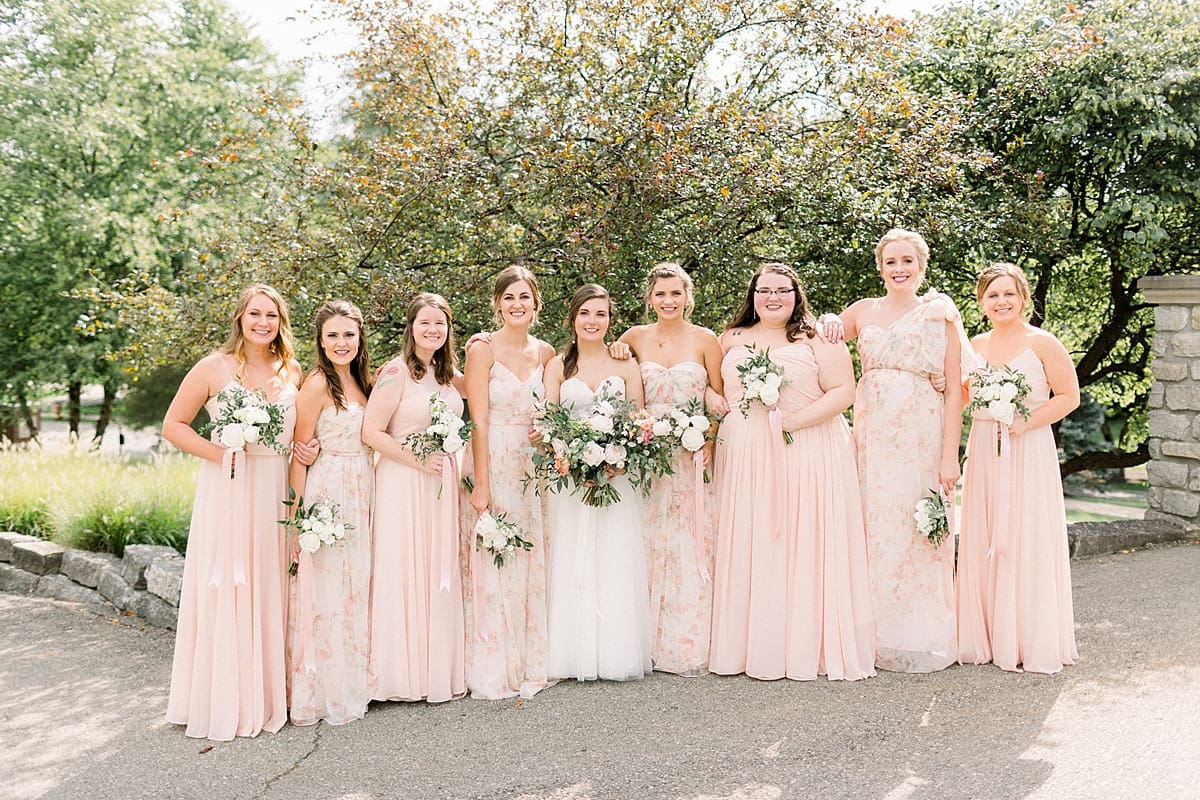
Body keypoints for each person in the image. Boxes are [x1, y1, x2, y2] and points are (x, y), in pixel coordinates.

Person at [708, 263, 875, 681]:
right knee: (753, 540)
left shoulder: (816, 336)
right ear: (753, 296)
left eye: (782, 290)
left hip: (805, 448)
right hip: (744, 453)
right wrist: (711, 395)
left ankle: (801, 644)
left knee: (799, 539)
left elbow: (844, 391)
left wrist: (794, 423)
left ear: (796, 295)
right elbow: (711, 382)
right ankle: (752, 645)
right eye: (764, 290)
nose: (773, 298)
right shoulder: (731, 338)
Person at [821, 228, 975, 673]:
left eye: (908, 261)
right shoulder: (863, 310)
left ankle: (918, 633)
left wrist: (949, 456)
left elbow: (954, 391)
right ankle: (869, 635)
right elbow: (820, 337)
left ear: (921, 266)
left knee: (917, 528)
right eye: (891, 262)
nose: (899, 269)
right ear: (880, 268)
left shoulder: (940, 314)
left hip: (921, 434)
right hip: (871, 436)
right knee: (873, 528)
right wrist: (829, 316)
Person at [163, 283, 304, 740]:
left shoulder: (292, 370)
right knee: (229, 583)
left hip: (274, 488)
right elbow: (173, 426)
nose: (263, 323)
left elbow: (300, 432)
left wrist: (306, 450)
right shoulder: (213, 367)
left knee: (269, 583)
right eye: (255, 314)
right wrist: (220, 454)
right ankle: (224, 698)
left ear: (281, 323)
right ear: (240, 318)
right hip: (228, 486)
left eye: (272, 315)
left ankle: (268, 695)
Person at [957, 262, 1080, 674]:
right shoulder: (974, 345)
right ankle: (989, 636)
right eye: (992, 295)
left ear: (1024, 297)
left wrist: (1026, 422)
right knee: (986, 531)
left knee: (1026, 533)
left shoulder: (1043, 343)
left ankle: (1028, 637)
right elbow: (962, 397)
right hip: (984, 450)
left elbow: (1069, 397)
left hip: (1028, 448)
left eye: (1009, 293)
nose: (1001, 301)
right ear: (981, 302)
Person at [617, 262, 723, 676]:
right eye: (660, 294)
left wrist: (708, 440)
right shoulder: (633, 338)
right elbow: (611, 379)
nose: (668, 300)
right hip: (647, 456)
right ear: (649, 298)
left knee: (689, 543)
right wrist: (615, 351)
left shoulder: (705, 339)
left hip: (690, 457)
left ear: (687, 296)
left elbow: (718, 397)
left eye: (675, 293)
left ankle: (687, 640)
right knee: (645, 541)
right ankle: (642, 641)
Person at [543, 283, 653, 682]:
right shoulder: (557, 366)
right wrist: (571, 457)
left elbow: (639, 419)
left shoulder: (625, 363)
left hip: (616, 477)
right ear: (573, 318)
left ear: (610, 320)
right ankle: (572, 654)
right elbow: (549, 420)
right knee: (573, 555)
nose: (593, 321)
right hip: (571, 480)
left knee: (614, 556)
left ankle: (615, 652)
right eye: (585, 313)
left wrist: (618, 460)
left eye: (601, 314)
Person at [361, 293, 466, 702]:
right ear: (411, 327)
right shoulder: (395, 371)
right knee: (404, 568)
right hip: (403, 482)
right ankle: (399, 674)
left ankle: (432, 669)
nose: (433, 330)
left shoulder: (447, 374)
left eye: (440, 323)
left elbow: (487, 391)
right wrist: (418, 461)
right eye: (425, 322)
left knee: (434, 567)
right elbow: (371, 432)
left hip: (440, 485)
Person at [461, 265, 557, 699]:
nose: (517, 305)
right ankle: (497, 659)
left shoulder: (547, 352)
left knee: (532, 551)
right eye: (509, 297)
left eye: (524, 297)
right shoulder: (483, 350)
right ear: (498, 305)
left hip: (533, 466)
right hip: (495, 457)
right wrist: (481, 483)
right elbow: (477, 419)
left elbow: (555, 412)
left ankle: (533, 653)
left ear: (536, 303)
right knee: (497, 551)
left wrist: (548, 433)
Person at [286, 300, 374, 725]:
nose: (342, 343)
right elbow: (299, 455)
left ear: (360, 337)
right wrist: (295, 521)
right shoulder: (318, 384)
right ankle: (323, 691)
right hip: (330, 490)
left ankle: (357, 680)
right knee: (328, 590)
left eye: (349, 334)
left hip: (364, 489)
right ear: (321, 342)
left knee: (357, 586)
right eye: (333, 336)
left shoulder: (365, 382)